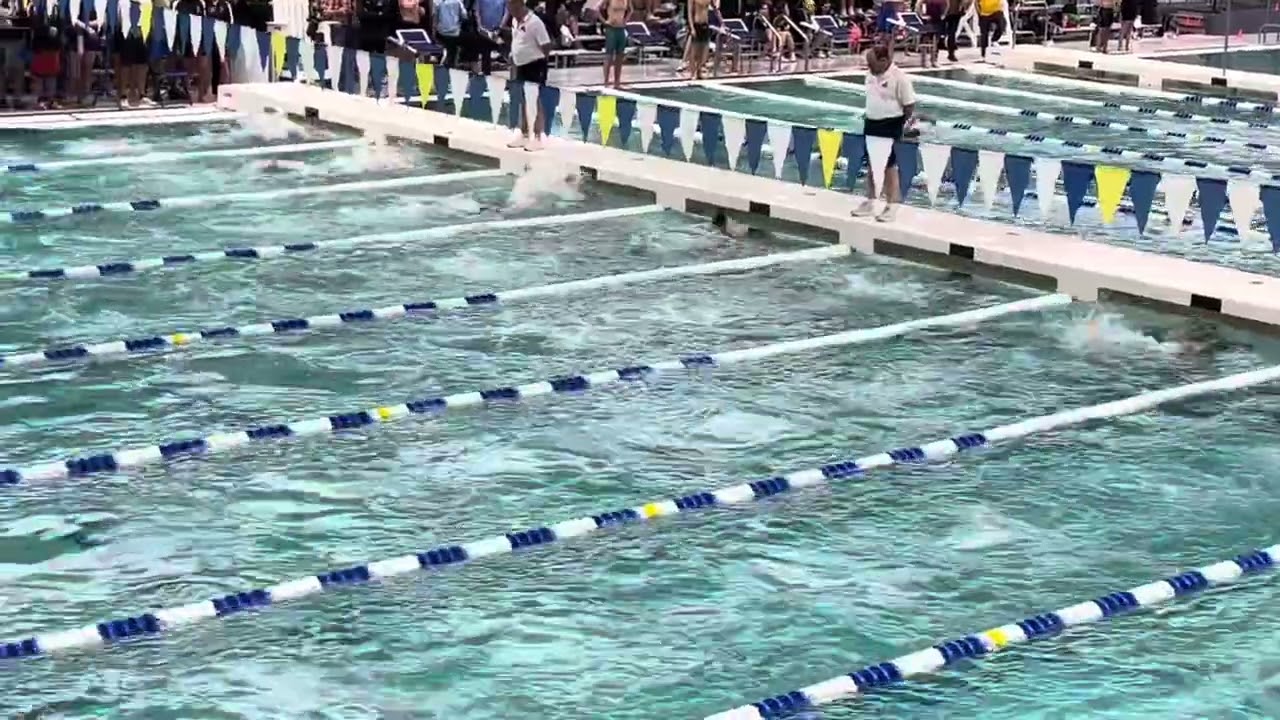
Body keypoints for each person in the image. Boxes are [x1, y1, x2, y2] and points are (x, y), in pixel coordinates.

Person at [851, 44, 914, 223]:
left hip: (890, 124)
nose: (868, 67)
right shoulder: (871, 75)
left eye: (872, 63)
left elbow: (909, 106)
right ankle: (871, 202)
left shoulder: (900, 78)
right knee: (871, 164)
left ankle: (892, 206)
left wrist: (905, 129)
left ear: (884, 61)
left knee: (889, 166)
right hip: (871, 123)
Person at [506, 0, 551, 150]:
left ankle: (538, 137)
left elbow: (546, 44)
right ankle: (524, 134)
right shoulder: (514, 20)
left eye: (511, 6)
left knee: (536, 100)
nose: (509, 10)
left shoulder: (535, 22)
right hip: (521, 65)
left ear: (520, 4)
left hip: (535, 65)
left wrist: (537, 59)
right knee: (524, 99)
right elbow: (517, 40)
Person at [601, 0, 626, 87]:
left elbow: (631, 10)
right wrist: (605, 22)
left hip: (621, 28)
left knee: (620, 56)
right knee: (609, 55)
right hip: (611, 29)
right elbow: (596, 10)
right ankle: (606, 82)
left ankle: (617, 81)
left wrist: (625, 20)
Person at [435, 0, 464, 65]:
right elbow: (464, 15)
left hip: (441, 32)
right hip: (455, 32)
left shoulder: (438, 3)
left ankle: (440, 58)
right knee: (454, 49)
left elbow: (435, 17)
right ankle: (453, 63)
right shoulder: (458, 2)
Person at [687, 0, 709, 79]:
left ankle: (699, 71)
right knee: (694, 50)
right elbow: (689, 13)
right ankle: (692, 72)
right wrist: (692, 28)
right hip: (696, 24)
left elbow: (716, 8)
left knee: (702, 50)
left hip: (705, 24)